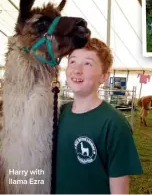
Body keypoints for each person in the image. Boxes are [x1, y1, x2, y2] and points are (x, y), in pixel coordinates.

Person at [56, 38, 143, 194]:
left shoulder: (114, 124)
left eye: (88, 63)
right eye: (73, 61)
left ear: (104, 76)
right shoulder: (58, 115)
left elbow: (119, 191)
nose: (77, 69)